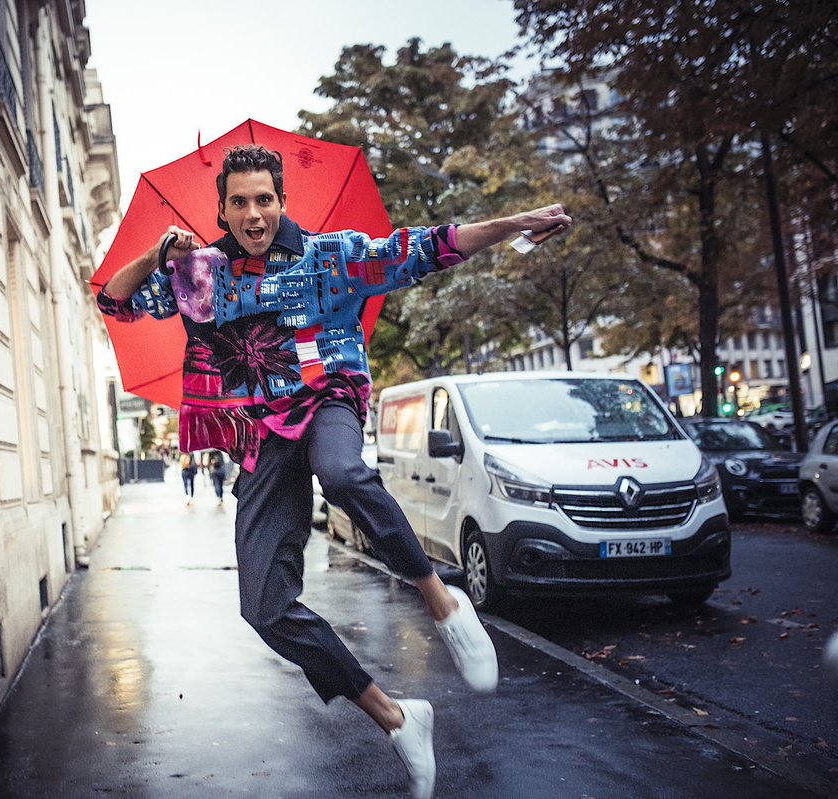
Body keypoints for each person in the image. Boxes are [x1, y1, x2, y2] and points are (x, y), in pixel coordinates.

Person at [97, 145, 571, 799]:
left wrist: (514, 222)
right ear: (225, 210)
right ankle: (398, 718)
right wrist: (160, 255)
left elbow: (426, 248)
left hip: (328, 398)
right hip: (264, 431)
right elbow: (115, 302)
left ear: (281, 201)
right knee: (264, 607)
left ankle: (443, 600)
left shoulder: (330, 256)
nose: (254, 213)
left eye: (265, 198)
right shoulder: (200, 272)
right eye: (240, 202)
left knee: (343, 473)